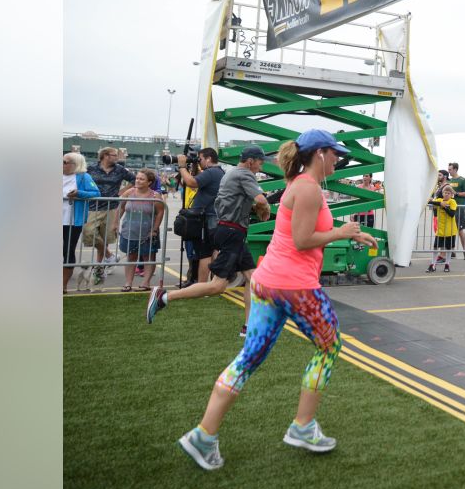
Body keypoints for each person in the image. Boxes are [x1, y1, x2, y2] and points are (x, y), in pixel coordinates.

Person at [174, 131, 374, 471]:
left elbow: (305, 228)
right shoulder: (308, 187)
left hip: (268, 283)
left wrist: (348, 231)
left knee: (248, 358)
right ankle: (303, 427)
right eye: (334, 154)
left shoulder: (300, 183)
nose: (338, 160)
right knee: (328, 347)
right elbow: (302, 239)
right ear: (320, 153)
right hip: (295, 286)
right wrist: (341, 233)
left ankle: (204, 436)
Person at [150, 146, 270, 334]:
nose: (260, 168)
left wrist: (252, 209)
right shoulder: (245, 174)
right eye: (260, 163)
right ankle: (164, 297)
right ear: (250, 161)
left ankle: (249, 326)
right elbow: (262, 200)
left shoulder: (230, 173)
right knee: (217, 286)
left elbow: (232, 202)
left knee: (253, 278)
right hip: (232, 232)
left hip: (229, 230)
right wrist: (264, 208)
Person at [83, 146, 137, 274]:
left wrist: (123, 192)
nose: (117, 158)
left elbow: (134, 180)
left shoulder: (120, 170)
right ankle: (109, 256)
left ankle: (99, 265)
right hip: (92, 206)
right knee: (89, 232)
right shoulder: (90, 168)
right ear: (105, 156)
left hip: (111, 207)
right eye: (114, 155)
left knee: (105, 237)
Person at [177, 148, 225, 284]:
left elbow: (191, 183)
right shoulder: (218, 172)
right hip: (211, 216)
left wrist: (181, 166)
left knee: (205, 253)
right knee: (213, 250)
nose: (199, 162)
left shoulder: (212, 172)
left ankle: (202, 284)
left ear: (208, 159)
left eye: (201, 159)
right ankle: (213, 282)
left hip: (207, 218)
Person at [114, 168, 165, 292]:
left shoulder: (155, 196)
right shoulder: (129, 192)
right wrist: (115, 224)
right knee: (131, 257)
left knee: (148, 258)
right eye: (137, 178)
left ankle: (146, 283)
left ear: (149, 182)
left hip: (148, 233)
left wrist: (155, 229)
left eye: (142, 179)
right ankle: (128, 283)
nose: (138, 180)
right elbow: (120, 208)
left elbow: (160, 212)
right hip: (129, 231)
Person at [63, 152, 101, 292]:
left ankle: (63, 285)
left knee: (67, 251)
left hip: (72, 220)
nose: (61, 164)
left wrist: (79, 193)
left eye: (64, 162)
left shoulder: (83, 177)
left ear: (75, 165)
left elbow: (96, 193)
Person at [427, 185, 459, 272]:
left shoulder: (452, 201)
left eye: (449, 193)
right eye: (445, 192)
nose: (446, 194)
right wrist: (440, 203)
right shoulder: (439, 200)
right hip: (440, 230)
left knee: (449, 248)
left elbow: (452, 214)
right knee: (435, 247)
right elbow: (431, 202)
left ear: (451, 194)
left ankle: (447, 264)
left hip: (450, 230)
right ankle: (433, 264)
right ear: (442, 193)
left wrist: (444, 207)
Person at [445, 162, 465, 259]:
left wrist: (456, 194)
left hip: (459, 208)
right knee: (451, 230)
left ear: (455, 169)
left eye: (450, 169)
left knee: (460, 230)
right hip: (450, 207)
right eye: (448, 169)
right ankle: (452, 251)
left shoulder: (462, 180)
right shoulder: (449, 181)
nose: (449, 171)